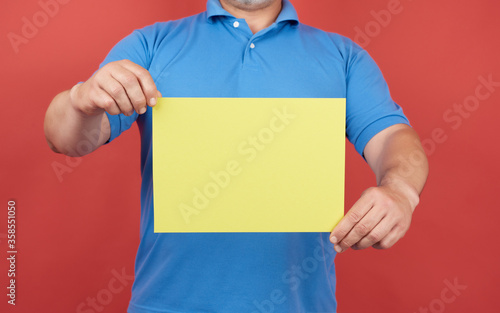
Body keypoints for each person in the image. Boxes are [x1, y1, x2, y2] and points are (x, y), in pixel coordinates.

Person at [44, 0, 429, 312]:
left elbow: (393, 135)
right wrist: (80, 100)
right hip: (164, 305)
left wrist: (400, 191)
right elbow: (66, 140)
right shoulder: (152, 44)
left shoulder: (343, 56)